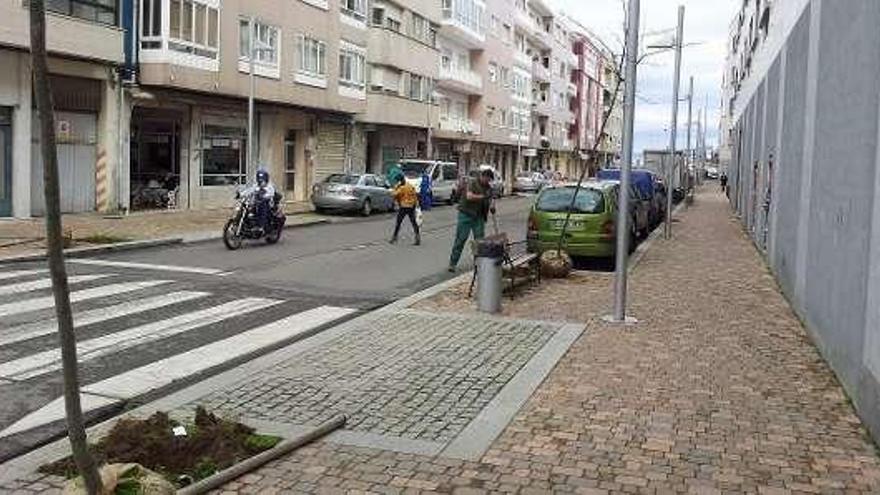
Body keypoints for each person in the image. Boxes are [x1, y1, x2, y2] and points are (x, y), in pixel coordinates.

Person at [448, 168, 495, 272]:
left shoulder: (488, 188)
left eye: (489, 180)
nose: (488, 182)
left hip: (479, 217)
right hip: (466, 214)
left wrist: (492, 205)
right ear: (483, 176)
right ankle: (452, 263)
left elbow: (492, 198)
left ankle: (478, 263)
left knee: (479, 241)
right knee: (461, 239)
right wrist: (483, 197)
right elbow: (469, 196)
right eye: (487, 179)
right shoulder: (472, 183)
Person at [390, 177, 421, 245]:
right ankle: (417, 237)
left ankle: (394, 237)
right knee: (413, 222)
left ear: (400, 182)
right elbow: (415, 196)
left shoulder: (402, 188)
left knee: (398, 222)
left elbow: (394, 194)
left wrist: (395, 188)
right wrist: (416, 204)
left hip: (404, 206)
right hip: (411, 206)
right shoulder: (411, 186)